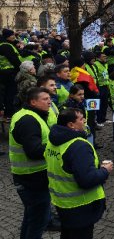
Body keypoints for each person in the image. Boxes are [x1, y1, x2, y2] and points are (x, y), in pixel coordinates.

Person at [45, 108, 112, 239]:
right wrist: (105, 170)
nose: (85, 121)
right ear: (71, 125)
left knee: (67, 234)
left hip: (62, 202)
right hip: (80, 206)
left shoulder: (52, 141)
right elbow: (87, 179)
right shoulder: (78, 146)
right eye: (81, 119)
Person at [9, 87, 52, 239]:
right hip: (33, 179)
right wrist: (56, 147)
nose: (50, 101)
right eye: (45, 99)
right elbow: (33, 151)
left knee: (31, 217)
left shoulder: (27, 115)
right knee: (39, 221)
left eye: (49, 98)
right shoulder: (29, 120)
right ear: (33, 102)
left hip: (29, 177)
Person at [0, 28, 22, 119]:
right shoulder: (6, 46)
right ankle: (9, 113)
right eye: (12, 35)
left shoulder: (6, 44)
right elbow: (14, 60)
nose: (14, 36)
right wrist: (20, 68)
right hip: (8, 73)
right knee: (10, 94)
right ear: (8, 36)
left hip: (6, 73)